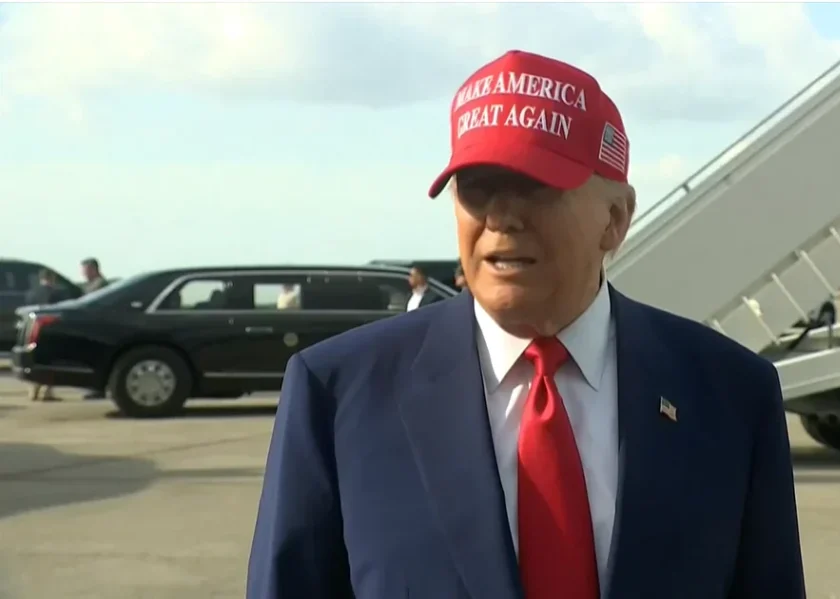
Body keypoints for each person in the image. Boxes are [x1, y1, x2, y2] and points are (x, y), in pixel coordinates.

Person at [247, 50, 805, 599]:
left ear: (615, 219)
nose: (501, 217)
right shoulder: (340, 393)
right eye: (477, 188)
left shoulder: (730, 393)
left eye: (537, 185)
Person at [23, 269, 73, 402]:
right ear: (53, 278)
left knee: (35, 360)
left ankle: (33, 390)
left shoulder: (31, 293)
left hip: (34, 329)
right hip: (51, 329)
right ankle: (47, 392)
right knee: (50, 361)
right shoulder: (58, 293)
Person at [79, 257, 110, 400]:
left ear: (93, 269)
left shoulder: (100, 284)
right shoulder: (89, 285)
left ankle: (98, 389)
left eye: (86, 270)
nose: (83, 273)